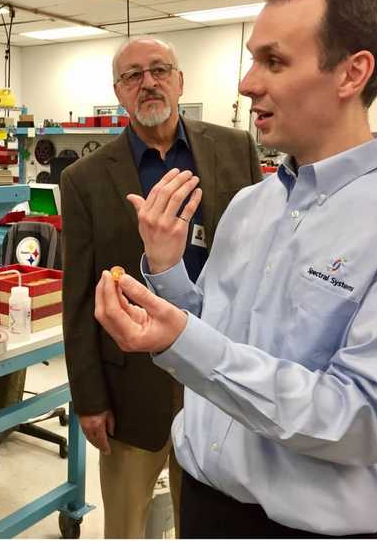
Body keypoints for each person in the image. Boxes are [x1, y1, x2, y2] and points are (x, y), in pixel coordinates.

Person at [94, 0, 377, 538]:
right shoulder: (254, 204)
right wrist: (167, 270)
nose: (247, 83)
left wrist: (182, 342)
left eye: (274, 61)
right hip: (201, 501)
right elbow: (220, 329)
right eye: (253, 59)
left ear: (352, 73)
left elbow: (359, 419)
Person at [61, 36, 262, 537]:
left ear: (179, 80)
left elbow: (260, 258)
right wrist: (88, 397)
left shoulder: (234, 149)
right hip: (132, 384)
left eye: (158, 70)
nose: (147, 83)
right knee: (127, 523)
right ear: (118, 91)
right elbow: (79, 295)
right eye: (132, 75)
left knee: (207, 520)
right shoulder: (84, 178)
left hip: (221, 371)